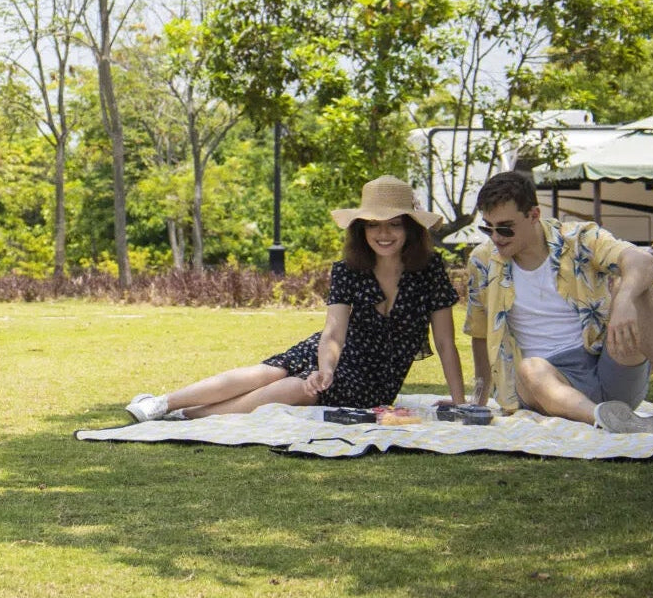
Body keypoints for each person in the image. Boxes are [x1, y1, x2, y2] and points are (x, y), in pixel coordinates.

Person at [125, 176, 466, 421]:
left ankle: (189, 414)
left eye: (394, 224)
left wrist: (459, 401)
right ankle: (163, 403)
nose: (383, 234)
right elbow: (333, 333)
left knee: (295, 389)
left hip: (373, 379)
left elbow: (446, 342)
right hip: (331, 353)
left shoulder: (429, 269)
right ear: (360, 229)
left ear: (410, 227)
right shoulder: (349, 268)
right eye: (373, 224)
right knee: (268, 372)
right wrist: (326, 368)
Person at [463, 170, 653, 433]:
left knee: (635, 286)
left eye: (505, 227)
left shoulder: (578, 239)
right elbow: (480, 334)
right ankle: (604, 417)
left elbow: (642, 261)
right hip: (546, 383)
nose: (496, 237)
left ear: (534, 215)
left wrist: (624, 302)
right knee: (530, 369)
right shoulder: (482, 261)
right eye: (488, 227)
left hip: (606, 364)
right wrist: (477, 401)